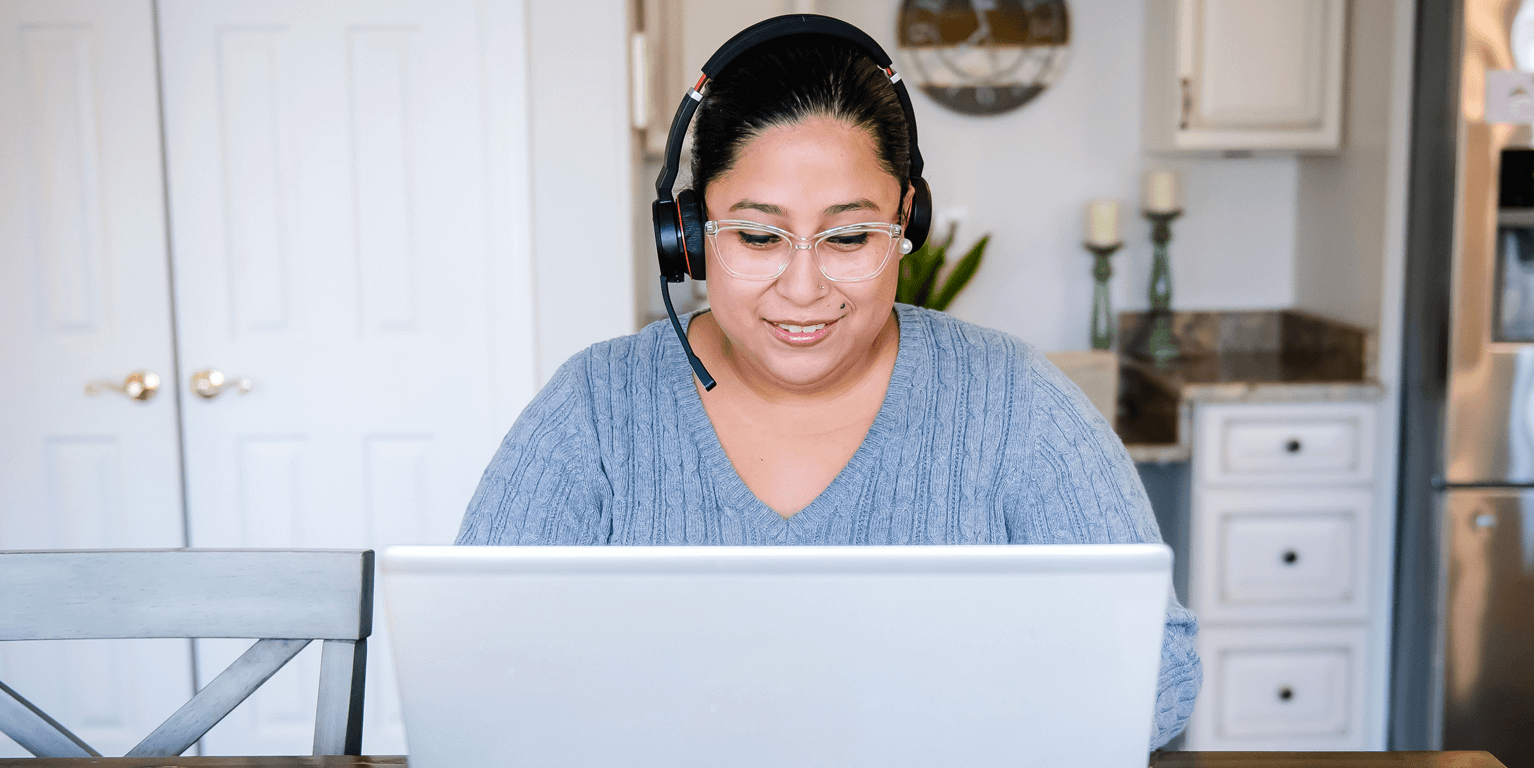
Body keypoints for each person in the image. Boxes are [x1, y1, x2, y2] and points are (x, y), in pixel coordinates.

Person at [457, 22, 1199, 749]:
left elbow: (1158, 678)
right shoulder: (594, 408)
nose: (804, 289)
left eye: (848, 237)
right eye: (756, 236)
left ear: (906, 220)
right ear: (688, 234)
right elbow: (473, 670)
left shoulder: (1017, 404)